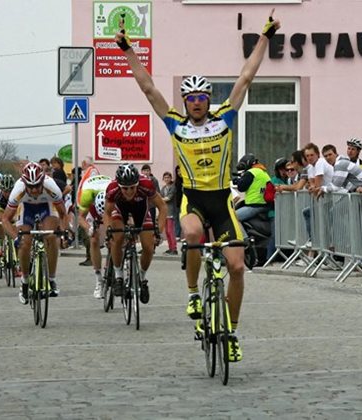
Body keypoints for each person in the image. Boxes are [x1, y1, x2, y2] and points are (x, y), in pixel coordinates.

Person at [116, 9, 281, 362]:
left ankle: (231, 330)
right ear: (185, 102)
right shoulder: (176, 124)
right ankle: (193, 292)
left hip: (222, 202)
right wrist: (128, 50)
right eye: (189, 98)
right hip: (192, 199)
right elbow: (148, 88)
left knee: (236, 268)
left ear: (208, 99)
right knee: (191, 235)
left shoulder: (224, 119)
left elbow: (246, 77)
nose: (195, 102)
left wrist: (265, 37)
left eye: (200, 97)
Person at [2, 162, 66, 304]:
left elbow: (63, 214)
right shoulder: (18, 190)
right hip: (26, 208)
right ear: (25, 183)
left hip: (46, 206)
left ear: (43, 181)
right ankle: (24, 281)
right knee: (25, 243)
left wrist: (63, 231)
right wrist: (15, 238)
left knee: (51, 236)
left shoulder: (52, 187)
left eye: (38, 185)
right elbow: (5, 219)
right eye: (31, 187)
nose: (35, 190)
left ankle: (51, 279)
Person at [104, 163, 167, 304]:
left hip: (141, 212)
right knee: (118, 237)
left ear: (137, 183)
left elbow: (162, 207)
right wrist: (109, 231)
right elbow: (107, 212)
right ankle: (119, 275)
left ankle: (142, 279)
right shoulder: (112, 188)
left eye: (132, 187)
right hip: (120, 211)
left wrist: (159, 231)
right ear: (119, 185)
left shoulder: (146, 184)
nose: (129, 191)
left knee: (149, 247)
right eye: (125, 188)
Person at [76, 174, 112, 298]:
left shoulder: (114, 194)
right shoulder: (87, 196)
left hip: (110, 205)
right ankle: (98, 279)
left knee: (115, 235)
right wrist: (89, 228)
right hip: (92, 207)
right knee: (94, 240)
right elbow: (80, 217)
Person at [234, 153, 275, 223]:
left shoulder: (251, 172)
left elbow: (241, 188)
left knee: (233, 219)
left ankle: (243, 234)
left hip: (254, 206)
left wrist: (238, 181)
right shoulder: (262, 171)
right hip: (265, 206)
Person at [160, 171, 178, 255]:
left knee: (171, 231)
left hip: (171, 211)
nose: (166, 179)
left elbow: (168, 198)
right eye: (165, 177)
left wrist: (160, 200)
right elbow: (160, 197)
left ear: (171, 178)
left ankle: (174, 249)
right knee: (167, 231)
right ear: (163, 179)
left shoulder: (173, 187)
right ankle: (170, 248)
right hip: (164, 212)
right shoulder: (163, 188)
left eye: (168, 177)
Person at [141, 164, 160, 230]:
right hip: (142, 205)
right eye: (144, 171)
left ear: (150, 171)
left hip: (151, 205)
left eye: (148, 170)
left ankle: (153, 236)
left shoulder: (154, 180)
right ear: (142, 172)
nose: (146, 172)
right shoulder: (139, 180)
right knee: (143, 222)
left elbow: (157, 192)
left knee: (152, 222)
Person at [174, 166, 183, 239]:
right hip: (177, 204)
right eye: (178, 171)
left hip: (185, 203)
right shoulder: (176, 182)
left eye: (181, 171)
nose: (179, 173)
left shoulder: (186, 181)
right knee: (177, 219)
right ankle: (177, 235)